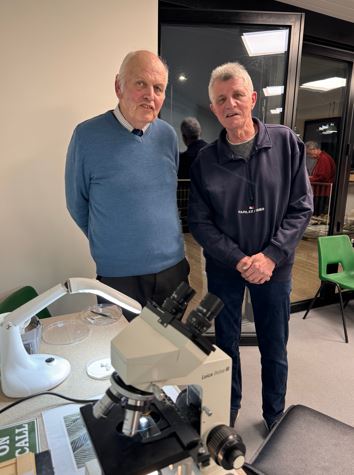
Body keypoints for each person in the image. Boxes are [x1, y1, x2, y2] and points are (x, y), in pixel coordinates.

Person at [188, 62, 313, 429]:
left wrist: (271, 256)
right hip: (227, 270)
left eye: (238, 95)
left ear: (253, 99)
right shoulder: (205, 161)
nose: (231, 104)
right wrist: (240, 258)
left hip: (276, 268)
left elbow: (301, 206)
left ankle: (275, 416)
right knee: (225, 345)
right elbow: (199, 222)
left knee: (274, 347)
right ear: (213, 109)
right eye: (221, 99)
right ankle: (227, 409)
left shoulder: (286, 142)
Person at [65, 50, 189, 319]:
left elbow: (163, 197)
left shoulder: (167, 136)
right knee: (123, 356)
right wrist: (113, 241)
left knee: (171, 354)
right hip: (118, 278)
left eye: (158, 88)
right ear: (118, 86)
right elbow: (77, 204)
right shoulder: (86, 136)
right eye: (140, 83)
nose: (150, 95)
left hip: (173, 270)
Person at [306, 141, 336, 216]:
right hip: (321, 191)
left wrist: (309, 179)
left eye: (309, 153)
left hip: (322, 192)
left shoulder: (324, 159)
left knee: (317, 214)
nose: (309, 156)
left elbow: (323, 177)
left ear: (315, 149)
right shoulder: (322, 158)